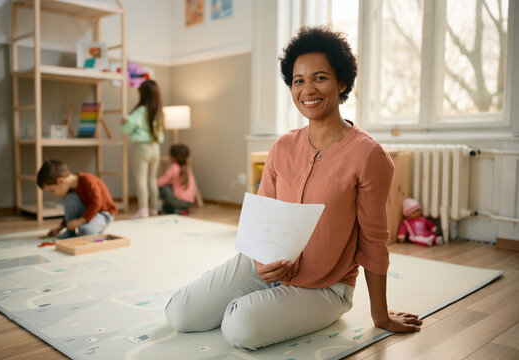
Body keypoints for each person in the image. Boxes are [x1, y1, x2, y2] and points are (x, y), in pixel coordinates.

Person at [165, 26, 422, 351]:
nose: (307, 89)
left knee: (238, 328)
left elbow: (373, 241)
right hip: (262, 267)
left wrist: (380, 316)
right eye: (298, 80)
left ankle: (269, 305)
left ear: (342, 82)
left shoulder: (370, 156)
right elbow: (261, 220)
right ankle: (259, 298)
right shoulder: (282, 147)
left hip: (326, 287)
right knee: (180, 314)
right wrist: (259, 262)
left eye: (320, 78)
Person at [36, 159, 117, 239]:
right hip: (88, 212)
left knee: (85, 231)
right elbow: (70, 214)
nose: (53, 194)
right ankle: (70, 232)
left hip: (103, 214)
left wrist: (80, 220)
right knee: (70, 199)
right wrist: (59, 228)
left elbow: (96, 203)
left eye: (52, 190)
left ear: (60, 181)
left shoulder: (87, 179)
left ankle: (91, 227)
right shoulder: (70, 191)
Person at [121, 80, 164, 218]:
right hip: (155, 147)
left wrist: (124, 121)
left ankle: (143, 210)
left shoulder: (140, 111)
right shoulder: (159, 112)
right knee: (152, 179)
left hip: (141, 148)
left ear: (142, 94)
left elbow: (127, 128)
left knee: (140, 179)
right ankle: (153, 209)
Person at [156, 144, 196, 215]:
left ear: (173, 157)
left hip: (179, 201)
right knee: (166, 207)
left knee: (163, 187)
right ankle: (182, 210)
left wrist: (151, 182)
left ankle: (156, 209)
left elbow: (160, 182)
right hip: (189, 202)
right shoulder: (186, 168)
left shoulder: (174, 167)